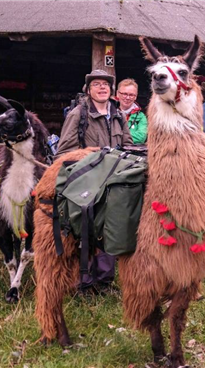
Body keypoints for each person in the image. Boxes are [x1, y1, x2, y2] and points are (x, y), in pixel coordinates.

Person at [56, 69, 133, 292]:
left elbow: (127, 144)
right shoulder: (78, 114)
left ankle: (105, 281)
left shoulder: (118, 114)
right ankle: (84, 282)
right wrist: (93, 155)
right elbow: (64, 151)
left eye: (106, 84)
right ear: (88, 90)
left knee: (110, 229)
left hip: (113, 182)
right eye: (97, 84)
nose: (102, 88)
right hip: (87, 183)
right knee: (86, 231)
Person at [116, 78, 148, 144]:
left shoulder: (141, 117)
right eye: (124, 94)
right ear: (117, 94)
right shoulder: (109, 113)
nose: (127, 98)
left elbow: (141, 137)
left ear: (135, 96)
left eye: (131, 95)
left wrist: (116, 138)